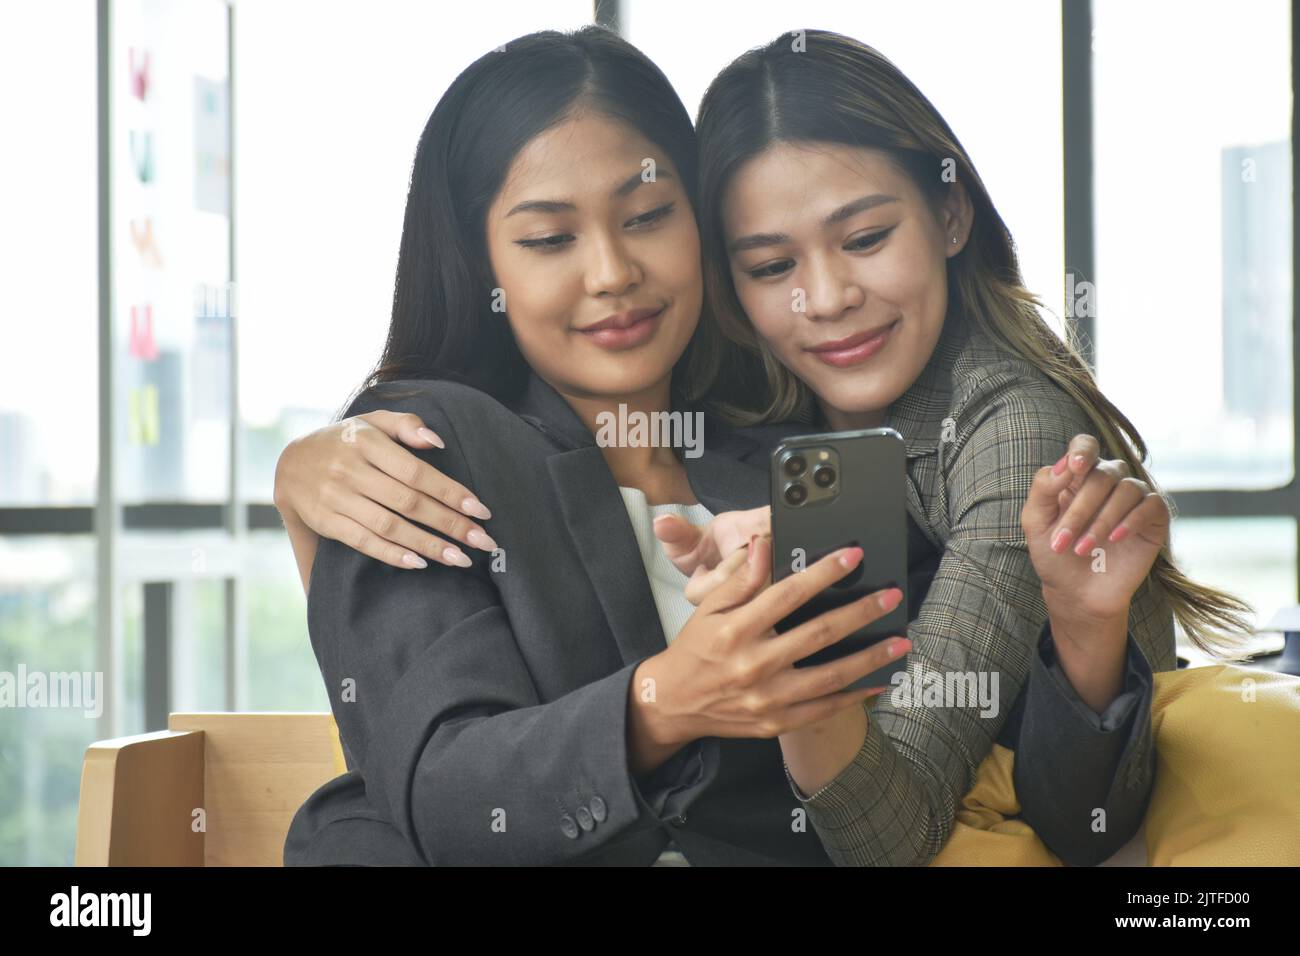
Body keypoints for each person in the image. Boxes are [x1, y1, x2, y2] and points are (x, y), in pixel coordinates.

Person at [279, 27, 1253, 866]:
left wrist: (1084, 638)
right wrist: (666, 699)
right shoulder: (413, 451)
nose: (613, 272)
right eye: (547, 240)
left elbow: (935, 777)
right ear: (478, 262)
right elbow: (438, 791)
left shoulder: (804, 457)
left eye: (649, 218)